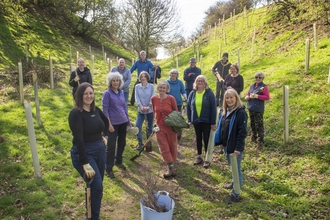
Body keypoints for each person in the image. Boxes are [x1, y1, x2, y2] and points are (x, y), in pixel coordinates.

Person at [68, 82, 109, 219]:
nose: (88, 96)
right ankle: (93, 217)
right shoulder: (76, 113)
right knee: (96, 185)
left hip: (100, 150)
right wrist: (84, 162)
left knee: (96, 186)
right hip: (84, 152)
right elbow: (79, 139)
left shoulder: (95, 110)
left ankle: (91, 213)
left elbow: (105, 122)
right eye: (85, 93)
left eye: (91, 93)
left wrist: (104, 136)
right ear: (80, 95)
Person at [214, 88, 248, 204]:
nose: (229, 100)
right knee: (232, 166)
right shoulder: (225, 111)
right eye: (227, 98)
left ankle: (236, 193)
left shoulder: (240, 113)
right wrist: (221, 143)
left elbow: (242, 133)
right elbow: (222, 128)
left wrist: (238, 148)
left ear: (236, 98)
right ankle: (234, 182)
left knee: (236, 168)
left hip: (235, 147)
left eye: (231, 97)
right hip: (226, 146)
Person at [102, 72, 132, 179]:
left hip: (123, 122)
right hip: (112, 124)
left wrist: (128, 121)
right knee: (111, 146)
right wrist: (109, 124)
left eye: (117, 80)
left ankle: (118, 161)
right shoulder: (107, 94)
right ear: (110, 82)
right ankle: (108, 168)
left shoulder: (122, 92)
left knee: (122, 143)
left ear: (120, 82)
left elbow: (124, 108)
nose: (115, 82)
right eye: (113, 80)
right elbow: (105, 110)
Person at [186, 75, 217, 168]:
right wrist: (189, 119)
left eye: (202, 81)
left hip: (206, 120)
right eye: (198, 81)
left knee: (206, 138)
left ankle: (207, 158)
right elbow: (188, 107)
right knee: (198, 138)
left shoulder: (209, 93)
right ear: (196, 83)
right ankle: (199, 156)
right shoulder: (192, 93)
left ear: (205, 83)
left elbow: (213, 108)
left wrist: (213, 122)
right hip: (196, 120)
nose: (200, 82)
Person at [151, 81, 178, 178]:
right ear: (158, 88)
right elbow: (154, 112)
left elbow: (176, 112)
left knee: (172, 146)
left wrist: (176, 126)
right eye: (160, 87)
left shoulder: (171, 99)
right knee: (163, 147)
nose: (162, 89)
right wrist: (155, 123)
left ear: (167, 89)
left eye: (164, 88)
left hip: (171, 126)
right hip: (160, 127)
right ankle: (170, 166)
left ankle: (173, 164)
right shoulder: (153, 98)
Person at [245, 72, 270, 150]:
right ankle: (254, 137)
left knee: (259, 125)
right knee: (252, 123)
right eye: (256, 77)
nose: (258, 79)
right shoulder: (252, 86)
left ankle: (260, 141)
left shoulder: (264, 87)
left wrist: (257, 96)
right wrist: (247, 97)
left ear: (262, 78)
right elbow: (248, 94)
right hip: (251, 107)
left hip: (258, 108)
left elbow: (267, 97)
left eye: (260, 77)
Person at [135, 71, 155, 151]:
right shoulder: (137, 87)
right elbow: (137, 98)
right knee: (137, 126)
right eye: (141, 77)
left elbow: (153, 96)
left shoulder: (151, 86)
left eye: (144, 77)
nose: (143, 78)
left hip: (150, 110)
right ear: (140, 78)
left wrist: (148, 106)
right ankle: (140, 143)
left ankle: (148, 144)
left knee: (149, 127)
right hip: (141, 111)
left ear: (147, 78)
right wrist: (141, 106)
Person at [167, 69, 187, 140]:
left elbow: (183, 91)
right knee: (170, 118)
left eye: (175, 73)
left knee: (178, 118)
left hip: (178, 103)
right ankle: (170, 133)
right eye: (172, 73)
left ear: (177, 75)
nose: (173, 75)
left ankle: (178, 133)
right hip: (169, 104)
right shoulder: (167, 82)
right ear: (170, 74)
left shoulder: (179, 82)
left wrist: (186, 98)